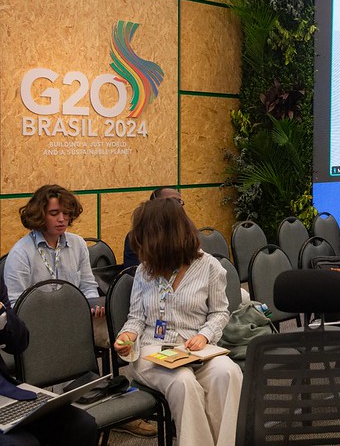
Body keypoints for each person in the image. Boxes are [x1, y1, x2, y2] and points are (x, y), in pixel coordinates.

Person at [113, 198, 242, 446]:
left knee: (228, 372)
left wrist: (204, 335)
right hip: (152, 351)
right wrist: (127, 336)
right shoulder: (144, 270)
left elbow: (219, 312)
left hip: (196, 349)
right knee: (183, 382)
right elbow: (136, 318)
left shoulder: (209, 266)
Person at [0, 274, 98, 446]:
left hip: (4, 391)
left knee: (82, 425)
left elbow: (19, 343)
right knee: (23, 443)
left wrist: (2, 317)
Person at [4, 185, 107, 346]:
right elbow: (17, 304)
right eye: (54, 213)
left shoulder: (78, 244)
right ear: (39, 215)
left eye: (66, 213)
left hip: (74, 321)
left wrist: (93, 306)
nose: (61, 219)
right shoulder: (21, 253)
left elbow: (87, 286)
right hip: (37, 327)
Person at [123, 186, 184, 268]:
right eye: (171, 201)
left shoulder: (187, 234)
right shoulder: (138, 236)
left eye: (179, 202)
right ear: (154, 205)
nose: (177, 206)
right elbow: (132, 270)